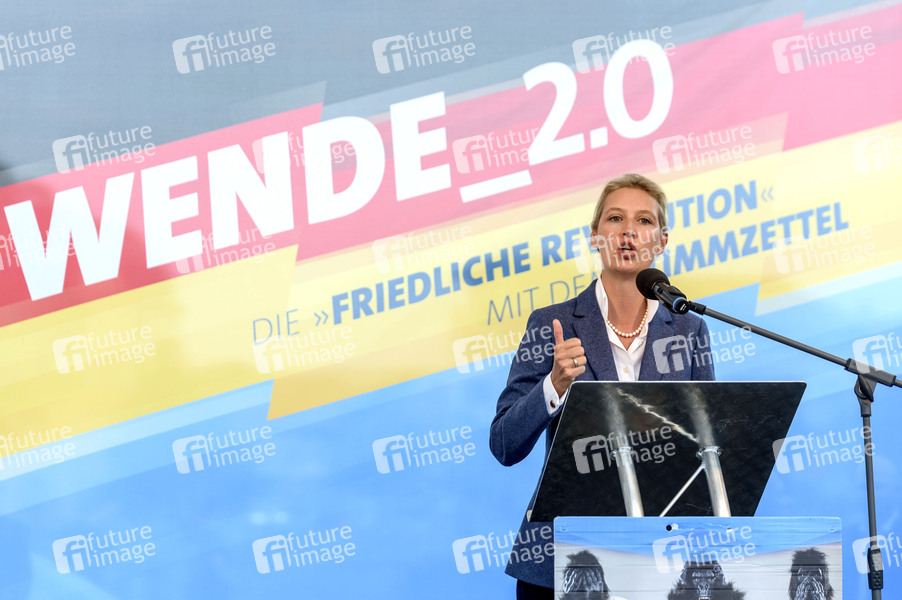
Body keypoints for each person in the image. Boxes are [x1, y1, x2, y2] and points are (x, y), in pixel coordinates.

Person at [489, 174, 715, 599]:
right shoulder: (551, 323)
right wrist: (554, 385)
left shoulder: (689, 329)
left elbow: (708, 446)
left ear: (662, 241)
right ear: (595, 236)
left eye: (644, 220)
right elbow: (504, 444)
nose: (629, 231)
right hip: (561, 559)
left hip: (658, 558)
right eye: (615, 218)